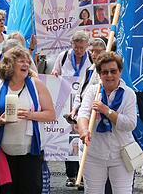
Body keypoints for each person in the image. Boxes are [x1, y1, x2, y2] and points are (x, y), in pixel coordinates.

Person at [0, 48, 56, 194]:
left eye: (28, 61)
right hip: (3, 152)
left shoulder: (36, 85)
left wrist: (31, 115)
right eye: (21, 61)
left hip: (30, 152)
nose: (26, 64)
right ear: (10, 64)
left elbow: (51, 114)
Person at [77, 52, 137, 194]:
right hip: (93, 153)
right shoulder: (92, 92)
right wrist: (84, 130)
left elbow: (130, 124)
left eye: (113, 71)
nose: (109, 75)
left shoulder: (129, 94)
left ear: (120, 72)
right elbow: (83, 114)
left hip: (121, 154)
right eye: (104, 72)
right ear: (99, 74)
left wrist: (106, 111)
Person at [52, 31, 92, 186]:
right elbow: (55, 73)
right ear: (72, 45)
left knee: (83, 137)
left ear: (87, 46)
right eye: (76, 48)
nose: (79, 51)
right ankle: (71, 174)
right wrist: (55, 74)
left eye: (82, 48)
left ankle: (82, 175)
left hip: (83, 103)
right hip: (66, 103)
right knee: (68, 139)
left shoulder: (91, 58)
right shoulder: (63, 57)